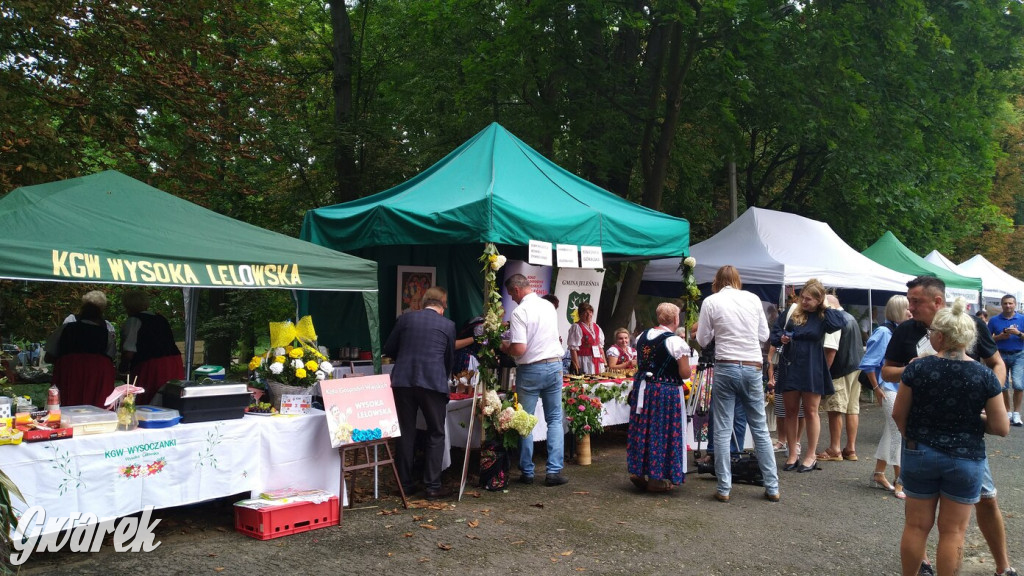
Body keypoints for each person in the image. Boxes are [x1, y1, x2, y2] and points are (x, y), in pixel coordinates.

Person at [883, 275, 1016, 576]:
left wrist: (912, 435)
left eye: (916, 301)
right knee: (954, 532)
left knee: (916, 526)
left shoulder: (918, 367)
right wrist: (975, 418)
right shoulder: (982, 376)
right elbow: (1002, 427)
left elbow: (898, 413)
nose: (911, 307)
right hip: (966, 455)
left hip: (920, 451)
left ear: (939, 336)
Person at [696, 266, 779, 502]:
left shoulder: (711, 301)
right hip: (752, 365)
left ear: (717, 282)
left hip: (726, 364)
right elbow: (764, 335)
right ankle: (772, 487)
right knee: (760, 428)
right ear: (737, 280)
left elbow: (703, 339)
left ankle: (724, 488)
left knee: (722, 429)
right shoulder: (752, 299)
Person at [383, 286, 456, 500]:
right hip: (433, 381)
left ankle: (404, 484)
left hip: (403, 380)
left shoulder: (405, 319)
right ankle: (432, 486)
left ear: (423, 303)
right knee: (435, 432)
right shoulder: (448, 325)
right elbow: (449, 358)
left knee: (405, 431)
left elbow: (389, 347)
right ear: (442, 305)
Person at [770, 279, 845, 472]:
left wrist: (826, 305)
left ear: (819, 300)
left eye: (809, 299)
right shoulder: (792, 312)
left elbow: (839, 323)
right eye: (803, 297)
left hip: (812, 365)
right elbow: (775, 333)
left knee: (811, 411)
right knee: (791, 411)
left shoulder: (823, 316)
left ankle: (811, 455)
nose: (804, 302)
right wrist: (782, 338)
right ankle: (793, 453)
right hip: (790, 363)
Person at [500, 274, 568, 487]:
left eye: (511, 294)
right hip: (555, 364)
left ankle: (527, 472)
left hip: (531, 369)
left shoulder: (520, 311)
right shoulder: (548, 306)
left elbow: (519, 348)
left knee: (525, 420)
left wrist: (504, 347)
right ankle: (554, 472)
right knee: (555, 419)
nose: (512, 298)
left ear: (517, 290)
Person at [626, 303, 691, 492]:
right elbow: (685, 373)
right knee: (662, 430)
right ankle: (656, 479)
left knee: (642, 427)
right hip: (664, 391)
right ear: (676, 320)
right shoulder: (675, 341)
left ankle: (638, 470)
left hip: (643, 389)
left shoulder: (642, 336)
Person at [859, 295, 910, 495]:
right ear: (899, 310)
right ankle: (900, 480)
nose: (911, 312)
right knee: (899, 432)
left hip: (897, 389)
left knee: (891, 432)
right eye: (907, 308)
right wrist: (877, 388)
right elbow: (869, 362)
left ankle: (879, 473)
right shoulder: (884, 332)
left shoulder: (900, 331)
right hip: (888, 389)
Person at [44, 290, 117, 407]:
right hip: (96, 375)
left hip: (70, 371)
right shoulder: (106, 332)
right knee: (95, 402)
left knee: (70, 401)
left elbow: (49, 354)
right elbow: (110, 356)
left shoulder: (66, 328)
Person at [817, 294, 865, 462]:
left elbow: (830, 350)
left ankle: (835, 449)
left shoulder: (834, 319)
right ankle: (850, 449)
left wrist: (824, 374)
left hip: (840, 369)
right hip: (856, 368)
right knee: (852, 409)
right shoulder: (851, 317)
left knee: (835, 409)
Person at [119, 290, 185, 406]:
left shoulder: (134, 321)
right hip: (174, 362)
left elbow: (129, 351)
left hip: (151, 365)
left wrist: (122, 368)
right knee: (170, 397)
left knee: (148, 398)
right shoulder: (161, 319)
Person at [989, 295, 1024, 426]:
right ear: (1001, 305)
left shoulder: (1022, 319)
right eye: (1005, 303)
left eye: (1010, 303)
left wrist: (1018, 333)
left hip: (1019, 354)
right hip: (1000, 355)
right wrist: (999, 337)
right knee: (1003, 385)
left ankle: (1017, 413)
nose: (1008, 306)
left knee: (1019, 384)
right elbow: (987, 340)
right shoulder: (994, 320)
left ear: (1015, 304)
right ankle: (1007, 412)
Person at [567, 302, 606, 375]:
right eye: (585, 312)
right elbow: (573, 349)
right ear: (580, 314)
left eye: (590, 312)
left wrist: (605, 362)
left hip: (597, 360)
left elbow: (600, 347)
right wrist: (577, 367)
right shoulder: (577, 327)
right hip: (585, 361)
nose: (589, 315)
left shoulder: (596, 327)